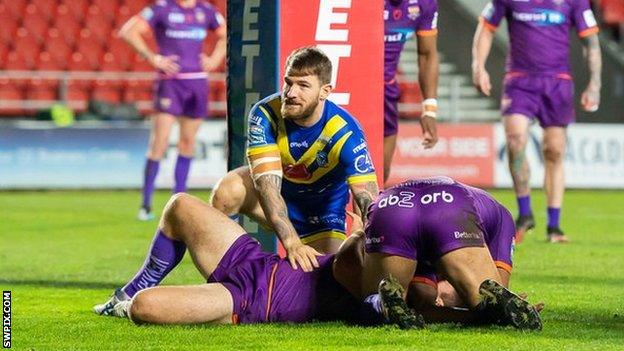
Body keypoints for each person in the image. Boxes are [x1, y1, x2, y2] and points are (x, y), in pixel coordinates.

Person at [210, 47, 380, 269]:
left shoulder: (346, 131)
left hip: (322, 213)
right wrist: (291, 241)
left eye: (303, 86)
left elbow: (369, 201)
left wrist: (364, 241)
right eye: (288, 82)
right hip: (279, 197)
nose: (291, 93)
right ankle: (227, 274)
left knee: (326, 277)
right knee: (227, 190)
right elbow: (267, 188)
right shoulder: (265, 114)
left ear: (324, 92)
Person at [92, 192, 376, 325]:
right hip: (256, 261)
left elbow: (347, 265)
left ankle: (129, 301)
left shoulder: (375, 293)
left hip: (245, 300)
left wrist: (359, 233)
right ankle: (126, 292)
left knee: (143, 305)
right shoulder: (386, 252)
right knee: (180, 206)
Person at [471, 0, 602, 243]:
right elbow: (486, 27)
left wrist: (595, 84)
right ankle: (525, 213)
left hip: (558, 83)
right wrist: (478, 66)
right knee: (515, 139)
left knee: (554, 150)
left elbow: (591, 41)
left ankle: (554, 226)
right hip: (520, 82)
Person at [359, 176, 542, 330]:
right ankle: (478, 314)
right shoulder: (503, 217)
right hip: (449, 204)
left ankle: (379, 304)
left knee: (403, 298)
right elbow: (498, 287)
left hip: (391, 203)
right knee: (488, 302)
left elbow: (423, 300)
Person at [119, 0, 226, 221]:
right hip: (170, 83)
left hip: (197, 82)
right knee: (159, 143)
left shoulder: (205, 11)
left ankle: (178, 202)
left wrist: (215, 59)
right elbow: (128, 32)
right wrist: (154, 58)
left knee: (187, 143)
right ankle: (146, 205)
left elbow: (226, 35)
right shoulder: (162, 8)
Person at [383, 0, 439, 184]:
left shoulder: (424, 4)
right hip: (349, 85)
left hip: (386, 92)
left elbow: (427, 54)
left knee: (377, 175)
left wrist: (429, 108)